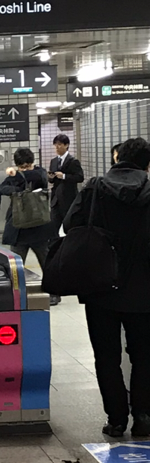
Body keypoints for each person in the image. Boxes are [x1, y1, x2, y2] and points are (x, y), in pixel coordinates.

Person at [64, 136, 150, 438]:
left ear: (117, 158)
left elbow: (70, 224)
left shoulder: (95, 188)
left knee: (106, 355)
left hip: (100, 285)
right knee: (144, 355)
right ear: (147, 165)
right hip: (144, 290)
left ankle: (116, 419)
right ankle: (144, 416)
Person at [0, 147, 53, 276]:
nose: (25, 170)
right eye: (22, 167)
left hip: (39, 228)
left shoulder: (39, 172)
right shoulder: (16, 176)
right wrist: (18, 191)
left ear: (32, 163)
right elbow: (1, 188)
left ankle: (52, 288)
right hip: (19, 229)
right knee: (15, 269)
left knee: (47, 265)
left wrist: (16, 174)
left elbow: (38, 177)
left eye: (27, 166)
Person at [48, 133, 84, 232]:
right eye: (55, 144)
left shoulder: (73, 161)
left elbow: (80, 177)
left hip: (69, 198)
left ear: (66, 145)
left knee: (69, 226)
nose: (56, 147)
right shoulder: (53, 161)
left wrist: (64, 176)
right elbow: (52, 180)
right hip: (55, 199)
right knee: (54, 226)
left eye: (59, 144)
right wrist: (50, 178)